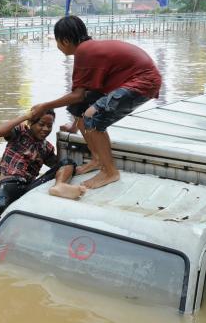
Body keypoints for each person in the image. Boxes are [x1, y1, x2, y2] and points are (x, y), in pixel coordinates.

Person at [31, 15, 162, 191]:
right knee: (81, 109)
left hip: (143, 82)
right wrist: (74, 127)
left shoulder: (85, 51)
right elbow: (80, 99)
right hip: (131, 81)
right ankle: (97, 159)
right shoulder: (88, 50)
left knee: (93, 116)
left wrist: (45, 106)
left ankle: (110, 172)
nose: (57, 46)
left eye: (57, 41)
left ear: (65, 40)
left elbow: (76, 94)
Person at [0, 110, 85, 240]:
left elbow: (59, 166)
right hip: (10, 182)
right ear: (31, 123)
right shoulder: (20, 132)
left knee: (68, 162)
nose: (46, 129)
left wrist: (68, 134)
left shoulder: (46, 148)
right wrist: (24, 116)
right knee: (0, 205)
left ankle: (60, 185)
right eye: (41, 124)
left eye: (49, 126)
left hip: (29, 187)